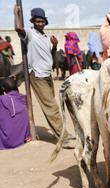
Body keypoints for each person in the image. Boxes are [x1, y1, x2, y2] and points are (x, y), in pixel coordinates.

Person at [13, 6, 73, 148]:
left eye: (42, 21)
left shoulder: (46, 37)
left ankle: (62, 131)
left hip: (47, 74)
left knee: (52, 105)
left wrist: (54, 46)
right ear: (33, 21)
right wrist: (15, 13)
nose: (40, 23)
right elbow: (18, 29)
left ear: (45, 22)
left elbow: (51, 59)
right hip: (37, 75)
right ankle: (62, 137)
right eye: (37, 21)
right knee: (51, 107)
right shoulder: (30, 33)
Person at [0, 77, 31, 150]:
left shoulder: (2, 99)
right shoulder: (25, 98)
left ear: (3, 89)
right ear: (17, 86)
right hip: (25, 138)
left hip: (8, 141)